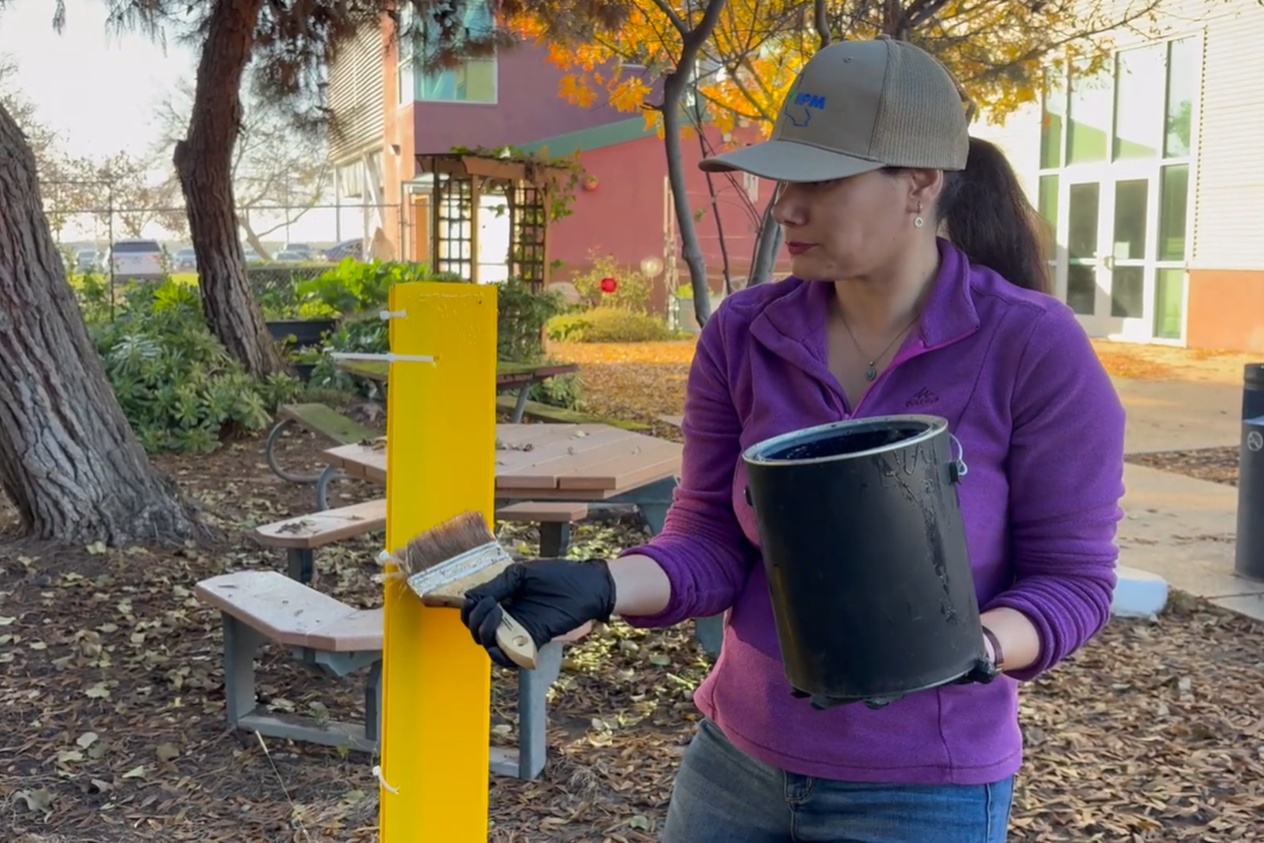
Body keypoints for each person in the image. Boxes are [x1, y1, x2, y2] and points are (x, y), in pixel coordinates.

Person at [461, 35, 1126, 843]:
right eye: (784, 177)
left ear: (918, 183)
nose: (785, 206)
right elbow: (707, 541)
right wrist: (601, 583)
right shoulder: (744, 333)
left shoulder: (1030, 346)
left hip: (922, 790)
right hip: (735, 763)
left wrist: (967, 645)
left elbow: (1073, 581)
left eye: (822, 180)